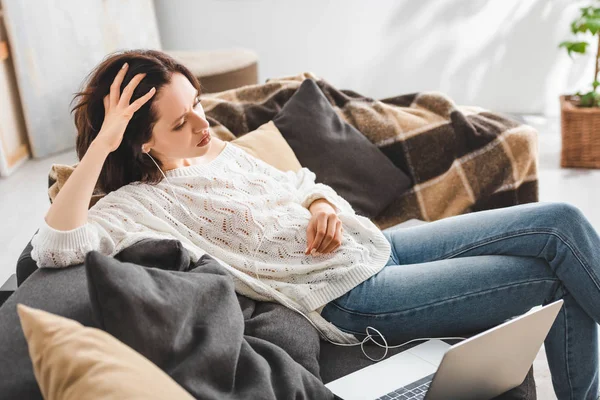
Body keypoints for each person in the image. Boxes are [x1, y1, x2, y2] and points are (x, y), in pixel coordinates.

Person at [32, 49, 598, 399]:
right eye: (183, 122)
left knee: (564, 221)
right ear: (140, 138)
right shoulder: (133, 206)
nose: (204, 124)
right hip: (352, 295)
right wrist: (104, 144)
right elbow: (54, 248)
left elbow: (303, 182)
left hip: (377, 243)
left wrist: (322, 207)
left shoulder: (218, 151)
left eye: (199, 104)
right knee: (551, 278)